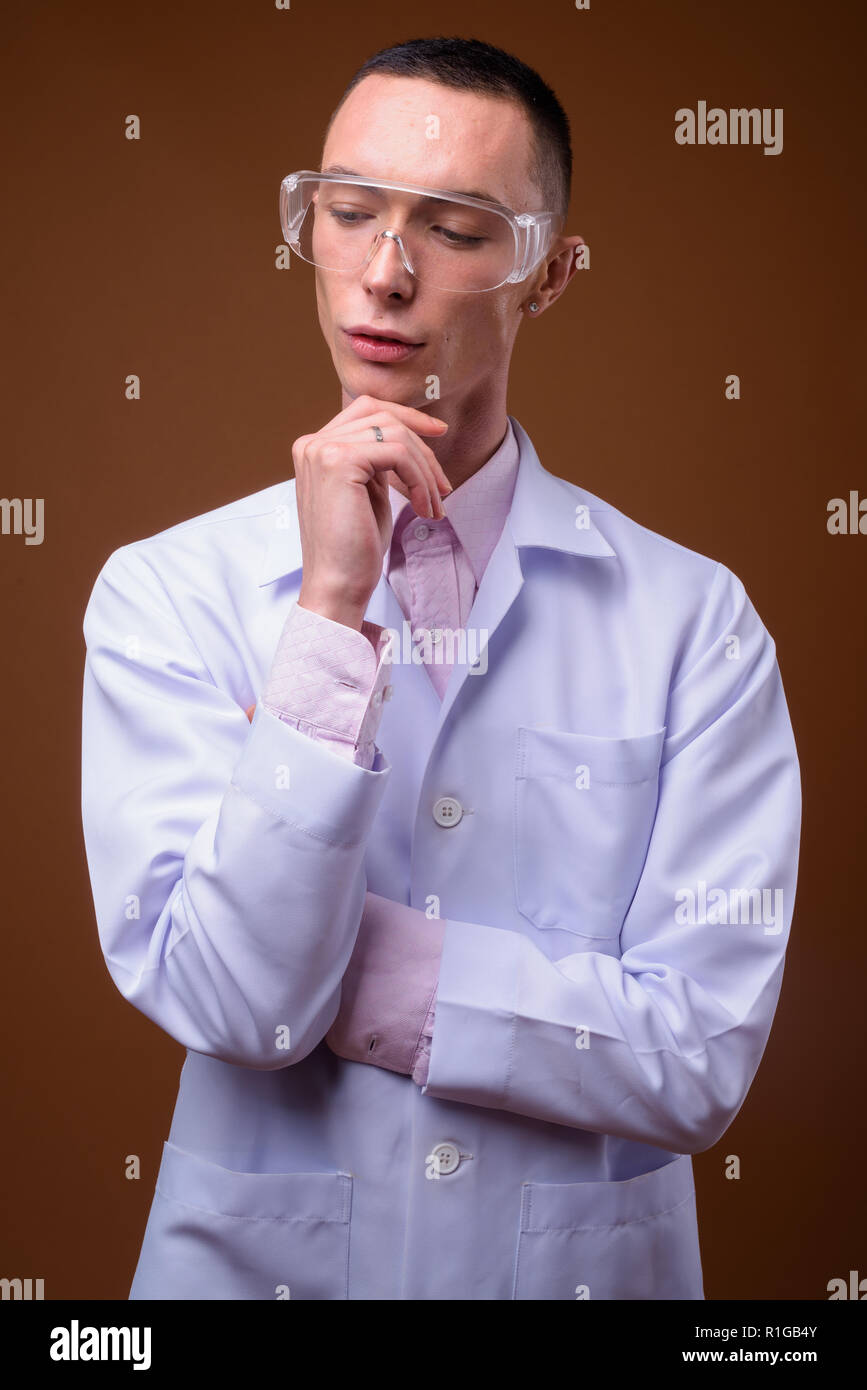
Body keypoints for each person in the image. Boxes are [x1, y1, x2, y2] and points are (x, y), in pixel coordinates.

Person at [80, 35, 801, 1301]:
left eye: (457, 229)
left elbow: (700, 1058)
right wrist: (330, 611)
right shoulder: (165, 592)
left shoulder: (697, 621)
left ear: (550, 274)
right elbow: (242, 1010)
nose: (385, 272)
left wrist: (349, 971)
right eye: (348, 213)